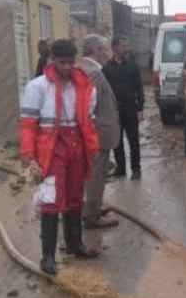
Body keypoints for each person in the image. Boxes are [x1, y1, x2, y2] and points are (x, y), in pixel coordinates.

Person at [20, 39, 101, 275]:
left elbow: (89, 122)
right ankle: (48, 256)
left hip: (77, 146)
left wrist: (92, 150)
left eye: (70, 62)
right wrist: (28, 154)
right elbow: (28, 125)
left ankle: (75, 245)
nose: (66, 67)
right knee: (51, 199)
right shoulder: (37, 87)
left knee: (76, 197)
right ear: (52, 60)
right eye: (62, 62)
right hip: (52, 149)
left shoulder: (85, 86)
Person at [80, 34, 121, 230]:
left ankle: (91, 207)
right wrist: (94, 133)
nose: (108, 53)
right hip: (98, 135)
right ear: (95, 50)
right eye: (105, 49)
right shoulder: (92, 73)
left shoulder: (89, 69)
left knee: (93, 174)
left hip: (96, 134)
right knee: (95, 175)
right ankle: (92, 215)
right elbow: (87, 108)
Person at [103, 36, 144, 180]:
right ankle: (121, 168)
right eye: (122, 45)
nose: (125, 48)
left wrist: (140, 108)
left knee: (133, 139)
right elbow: (104, 91)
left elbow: (139, 87)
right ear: (114, 48)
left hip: (131, 108)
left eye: (126, 45)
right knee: (117, 140)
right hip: (114, 110)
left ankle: (136, 169)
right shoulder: (107, 68)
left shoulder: (132, 65)